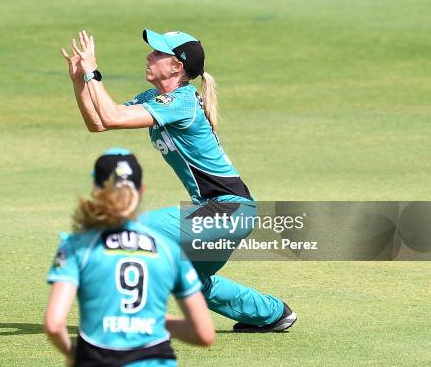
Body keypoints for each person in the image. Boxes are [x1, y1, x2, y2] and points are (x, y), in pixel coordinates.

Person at [61, 29, 297, 332]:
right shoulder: (156, 98)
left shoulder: (181, 102)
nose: (149, 56)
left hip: (227, 211)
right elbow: (99, 122)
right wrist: (79, 81)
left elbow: (114, 116)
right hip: (223, 212)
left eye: (158, 53)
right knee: (189, 282)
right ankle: (274, 314)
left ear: (177, 66)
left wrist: (93, 72)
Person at [44, 149, 215, 367]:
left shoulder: (78, 246)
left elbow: (54, 324)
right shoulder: (168, 249)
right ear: (142, 190)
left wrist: (73, 354)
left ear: (96, 190)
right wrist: (151, 321)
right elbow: (204, 334)